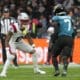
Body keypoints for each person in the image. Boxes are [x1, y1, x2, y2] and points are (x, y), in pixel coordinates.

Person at [0, 12, 46, 77]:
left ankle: (36, 70)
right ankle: (3, 72)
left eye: (26, 21)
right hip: (12, 42)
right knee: (11, 56)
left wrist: (33, 46)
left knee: (34, 52)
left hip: (20, 42)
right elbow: (7, 39)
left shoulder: (26, 26)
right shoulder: (14, 26)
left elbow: (28, 36)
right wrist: (7, 49)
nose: (25, 22)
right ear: (19, 20)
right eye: (23, 21)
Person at [51, 4, 74, 76]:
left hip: (61, 37)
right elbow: (72, 30)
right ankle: (64, 71)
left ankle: (57, 70)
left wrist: (53, 39)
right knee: (65, 57)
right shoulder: (69, 18)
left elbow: (56, 28)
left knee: (54, 55)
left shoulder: (56, 18)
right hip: (70, 38)